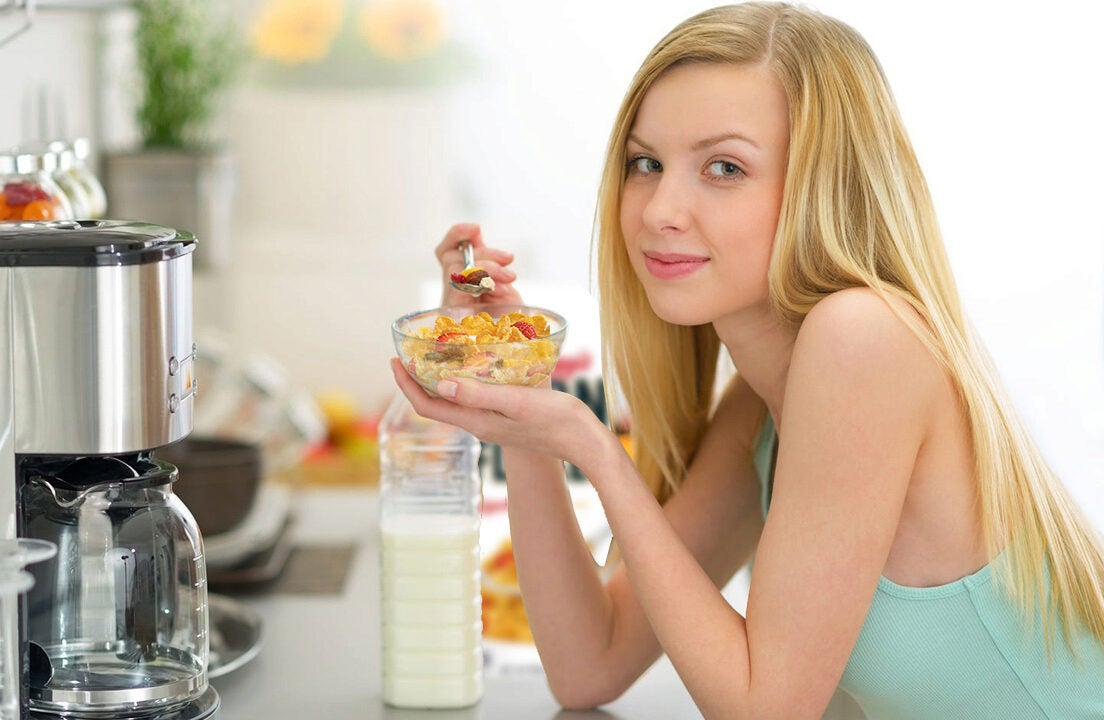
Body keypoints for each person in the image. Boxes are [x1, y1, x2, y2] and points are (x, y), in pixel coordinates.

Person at [389, 3, 1104, 718]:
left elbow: (767, 711)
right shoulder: (763, 407)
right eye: (646, 163)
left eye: (724, 167)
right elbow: (589, 664)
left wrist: (593, 448)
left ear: (821, 186)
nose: (660, 208)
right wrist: (521, 404)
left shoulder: (865, 339)